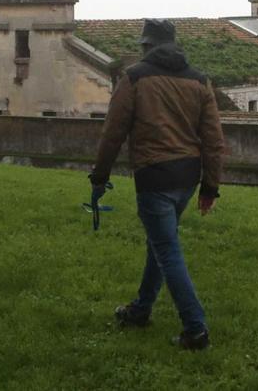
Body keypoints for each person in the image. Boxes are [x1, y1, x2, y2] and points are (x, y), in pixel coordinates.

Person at [89, 19, 224, 350]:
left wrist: (100, 175)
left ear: (146, 46)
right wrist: (210, 187)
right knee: (160, 243)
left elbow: (113, 132)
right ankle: (141, 309)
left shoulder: (134, 78)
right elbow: (213, 140)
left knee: (166, 249)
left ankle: (196, 329)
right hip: (188, 177)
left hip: (155, 175)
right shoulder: (200, 81)